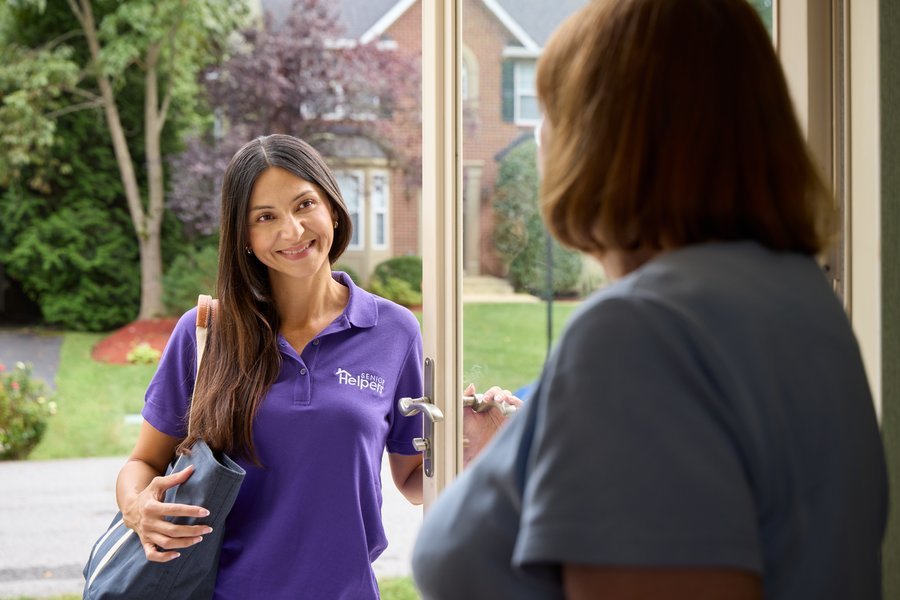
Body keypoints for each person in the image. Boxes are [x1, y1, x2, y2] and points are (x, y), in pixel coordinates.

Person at [411, 1, 888, 599]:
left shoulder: (642, 332)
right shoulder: (798, 300)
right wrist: (528, 455)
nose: (539, 134)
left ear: (604, 139)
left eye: (552, 107)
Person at [115, 134, 515, 599]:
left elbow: (413, 480)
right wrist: (136, 507)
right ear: (244, 237)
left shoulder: (394, 331)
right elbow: (144, 461)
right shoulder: (206, 333)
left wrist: (479, 447)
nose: (292, 230)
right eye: (265, 217)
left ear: (333, 209)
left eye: (304, 204)